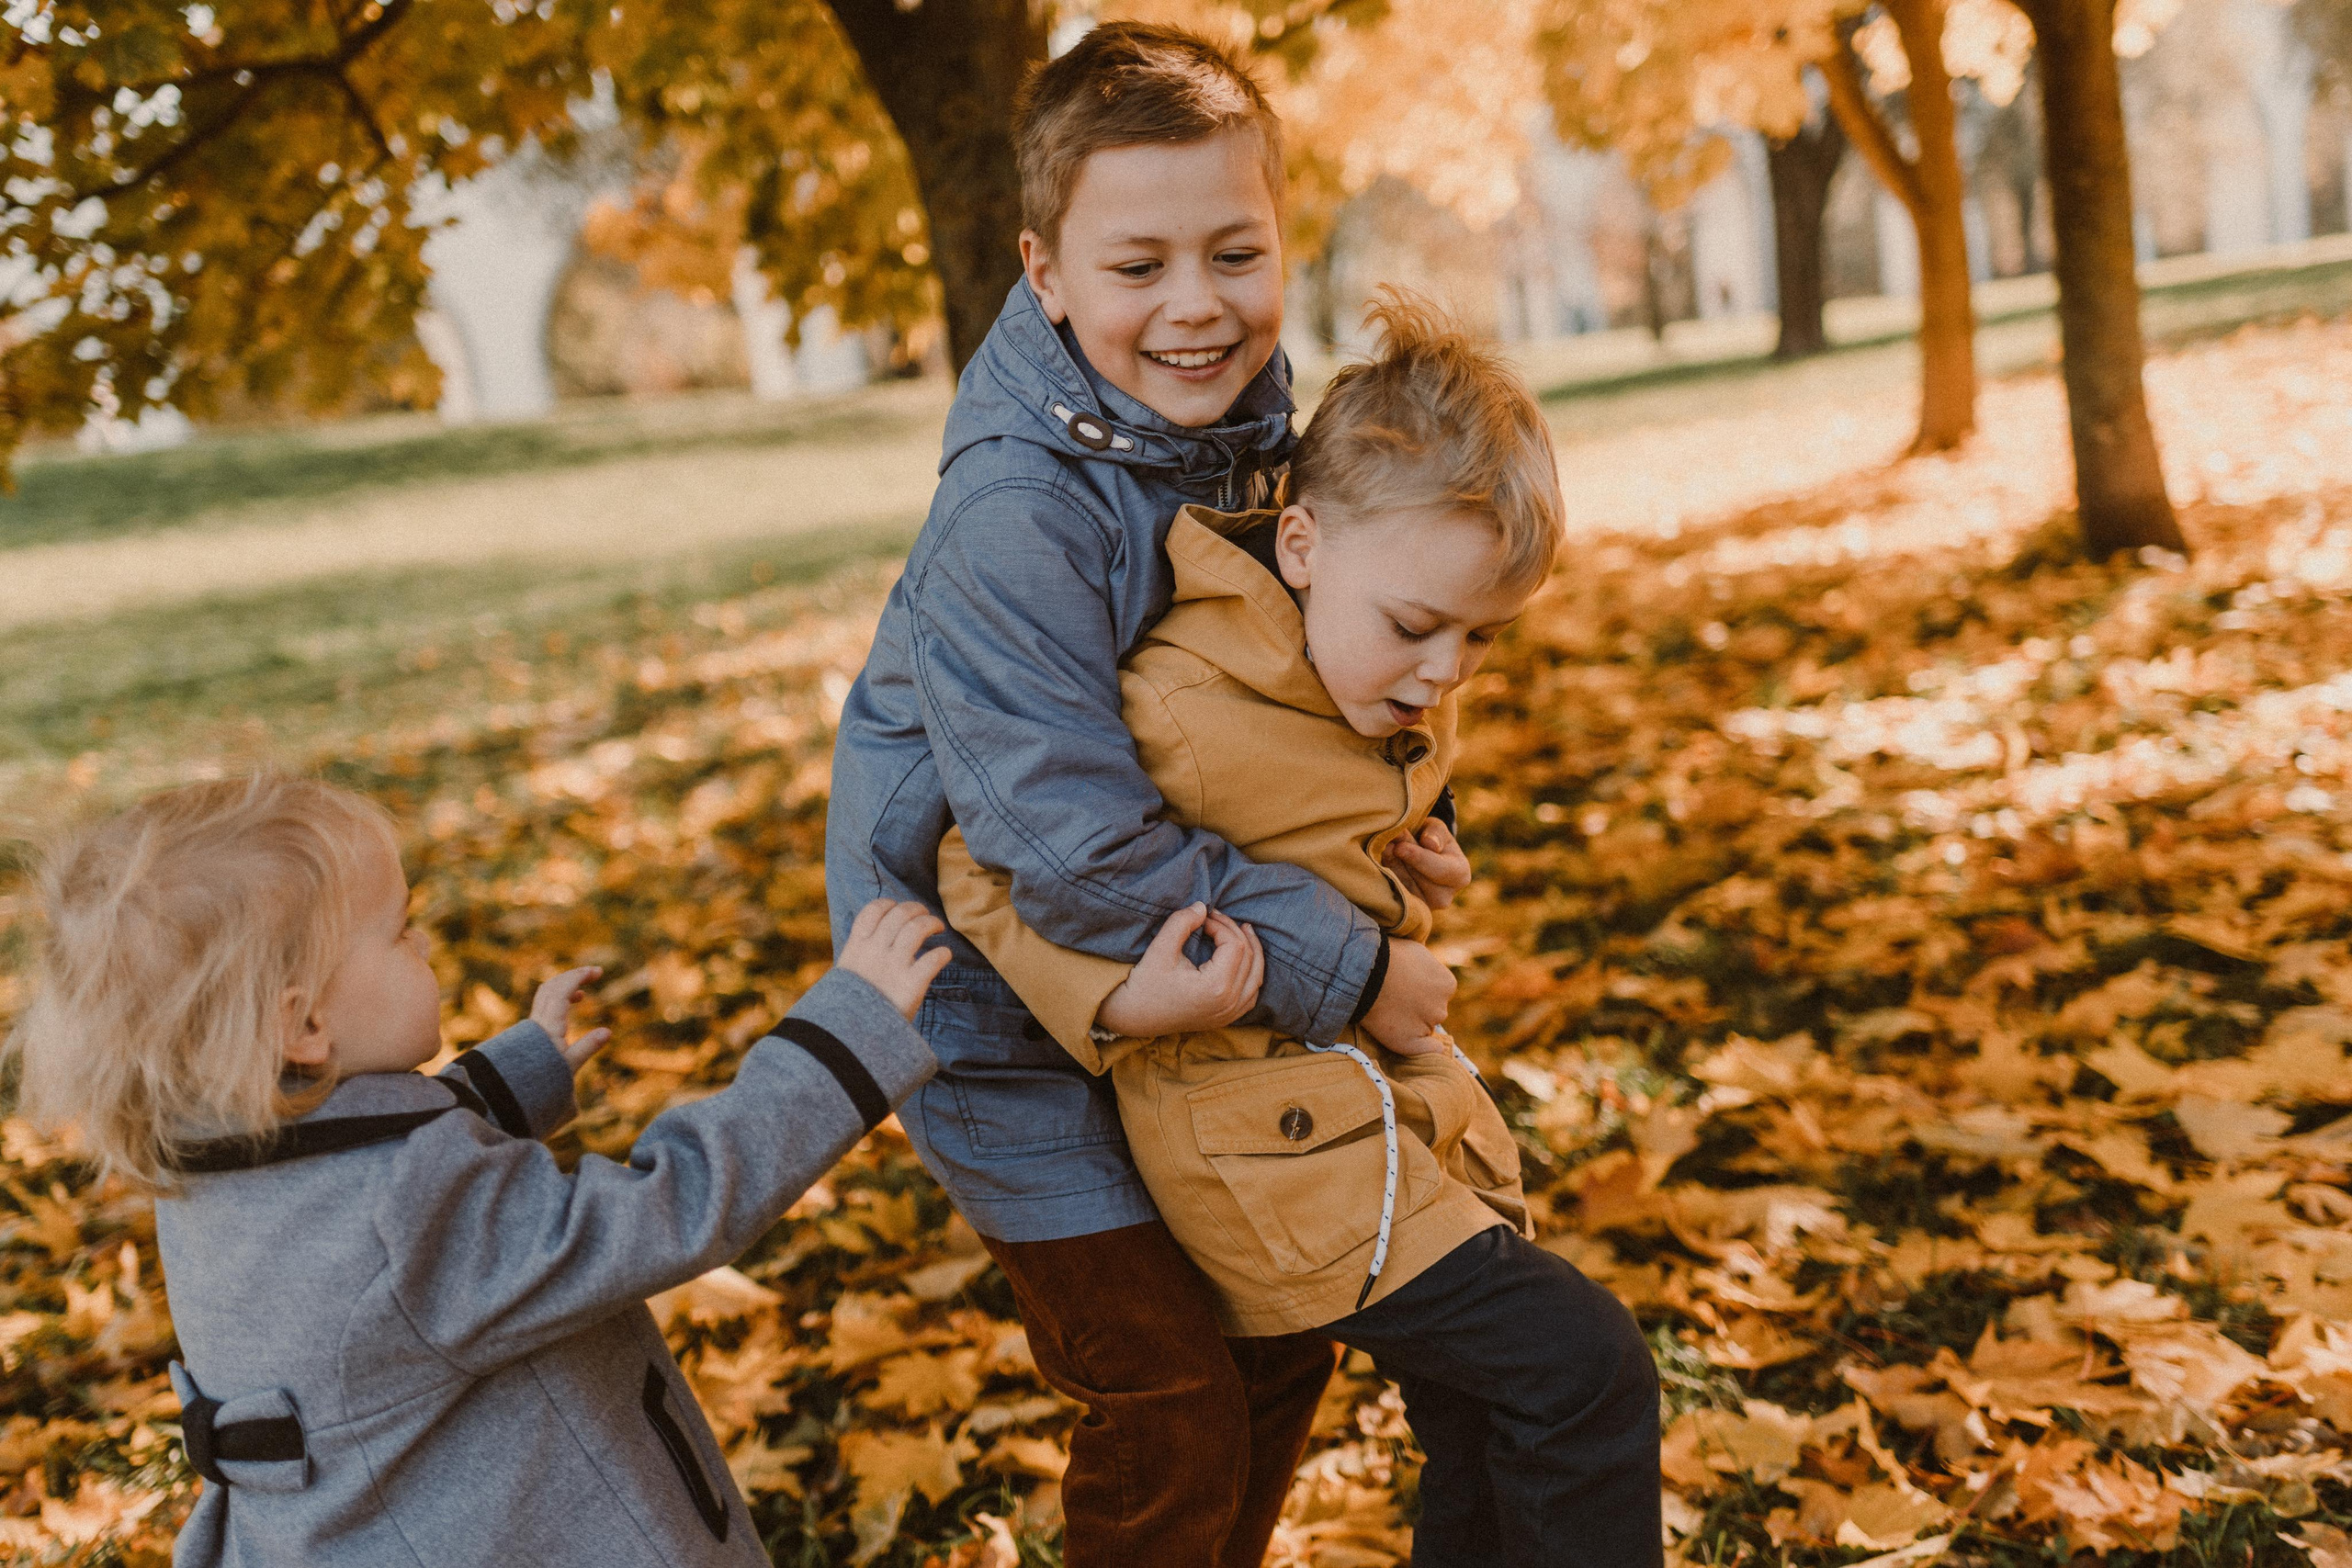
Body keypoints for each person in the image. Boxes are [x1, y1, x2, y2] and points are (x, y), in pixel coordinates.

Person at [827, 23, 1459, 1567]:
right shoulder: (1014, 516)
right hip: (986, 1004)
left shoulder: (1243, 416)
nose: (1195, 305)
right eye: (1138, 267)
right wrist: (1352, 969)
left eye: (1235, 252)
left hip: (1182, 946)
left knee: (1279, 1320)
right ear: (1045, 272)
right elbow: (1064, 841)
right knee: (1164, 1390)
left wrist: (1398, 811)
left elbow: (1289, 672)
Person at [940, 295, 1664, 1568]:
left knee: (1491, 1406)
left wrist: (1435, 822)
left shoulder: (1363, 665)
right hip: (1261, 1139)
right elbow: (985, 859)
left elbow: (1356, 788)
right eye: (1417, 626)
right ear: (1303, 539)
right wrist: (1116, 1002)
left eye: (1481, 638)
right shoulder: (1178, 701)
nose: (1444, 673)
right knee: (1581, 1365)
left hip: (1366, 1111)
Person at [4, 773, 947, 1568]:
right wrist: (840, 1040)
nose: (425, 946)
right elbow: (664, 1211)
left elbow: (358, 1157)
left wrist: (509, 1077)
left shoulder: (217, 1170)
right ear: (304, 1028)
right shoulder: (408, 1213)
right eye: (400, 932)